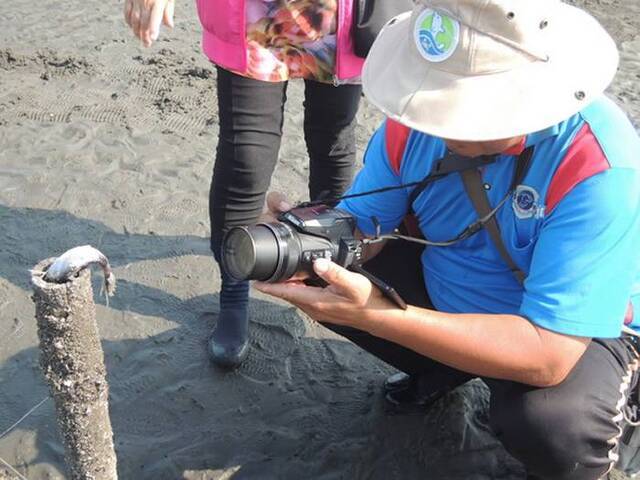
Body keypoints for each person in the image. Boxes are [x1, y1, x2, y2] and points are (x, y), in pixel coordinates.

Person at [255, 0, 640, 478]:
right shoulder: (415, 124)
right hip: (456, 291)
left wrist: (377, 314)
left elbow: (550, 353)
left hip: (572, 333)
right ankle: (444, 367)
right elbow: (365, 221)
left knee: (551, 423)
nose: (435, 118)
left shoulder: (598, 167)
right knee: (322, 272)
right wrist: (313, 235)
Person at [123, 0, 364, 367]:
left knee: (334, 146)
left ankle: (325, 271)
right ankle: (234, 287)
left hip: (343, 16)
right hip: (254, 13)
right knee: (246, 160)